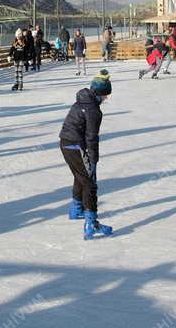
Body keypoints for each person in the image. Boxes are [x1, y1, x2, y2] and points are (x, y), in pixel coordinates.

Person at [59, 69, 114, 239]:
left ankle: (76, 209)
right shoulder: (93, 111)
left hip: (65, 143)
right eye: (106, 95)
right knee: (90, 182)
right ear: (99, 94)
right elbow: (91, 136)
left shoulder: (82, 100)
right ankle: (91, 221)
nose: (106, 98)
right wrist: (93, 158)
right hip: (77, 146)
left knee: (80, 176)